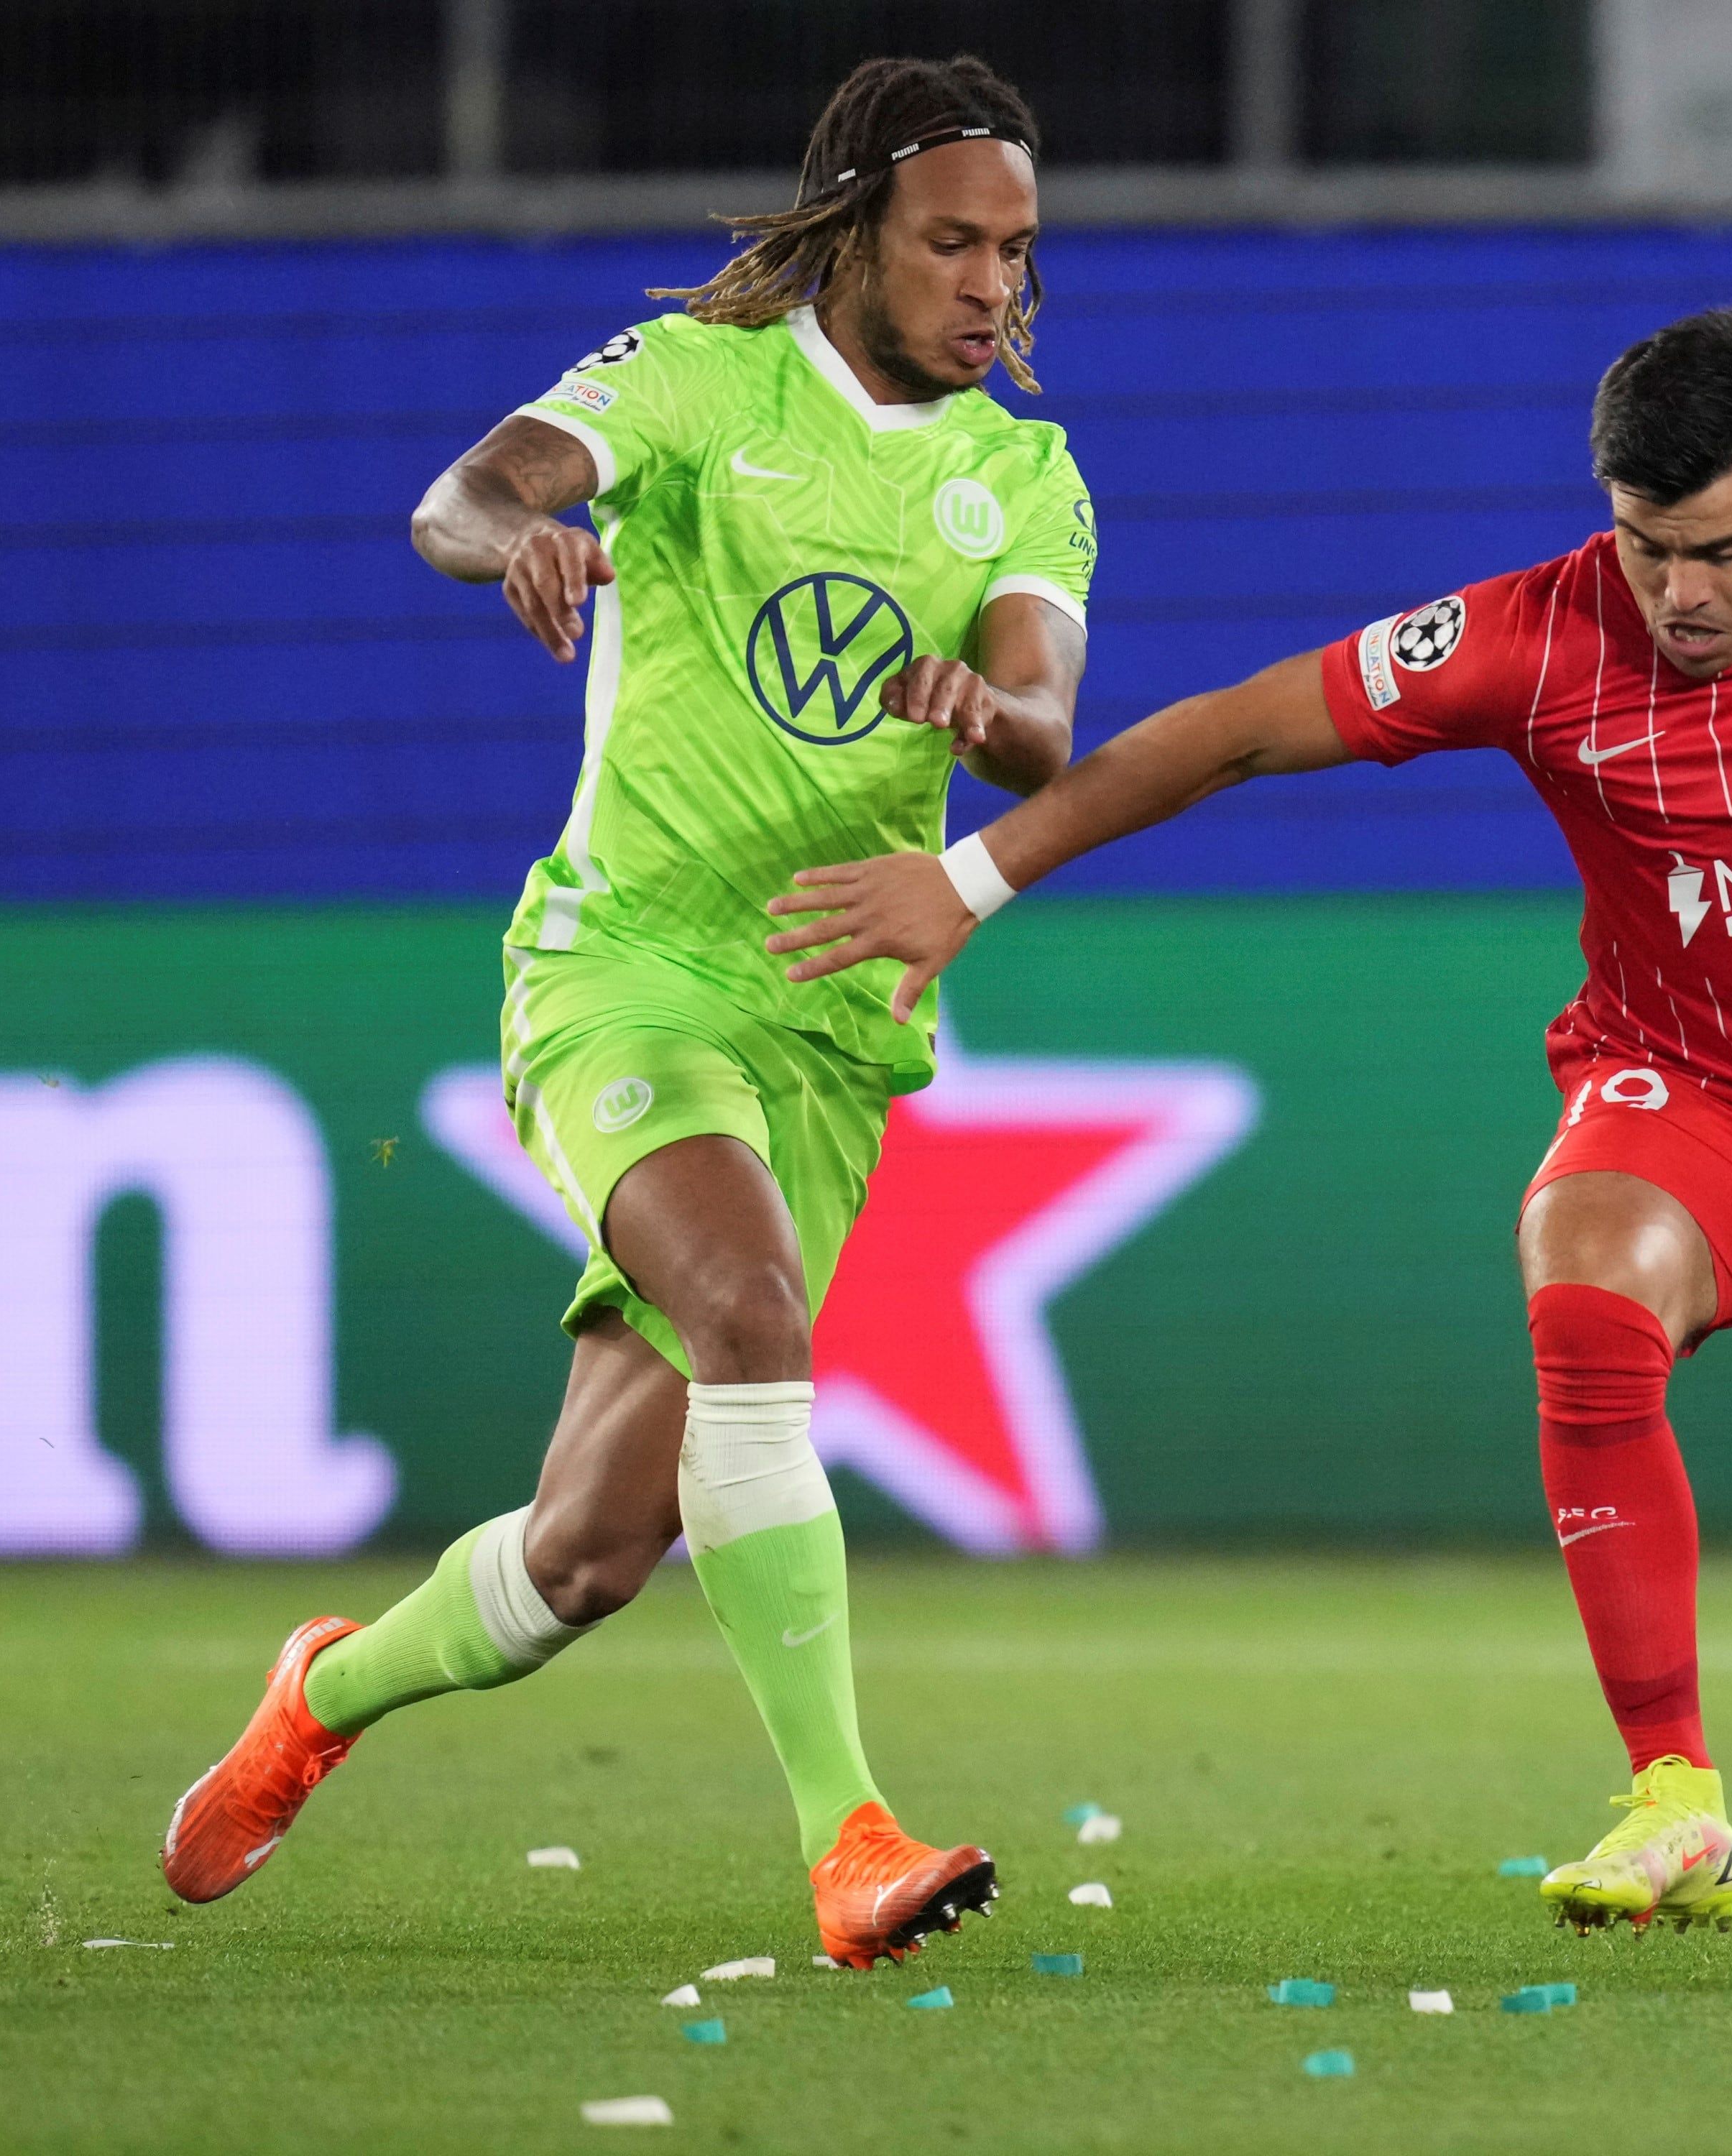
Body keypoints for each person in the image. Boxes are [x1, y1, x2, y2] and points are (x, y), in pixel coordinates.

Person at [774, 307, 1732, 1961]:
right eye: (1648, 548)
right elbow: (1232, 731)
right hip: (1688, 1088)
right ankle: (1675, 1795)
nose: (1680, 594)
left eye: (1720, 551)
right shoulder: (1536, 633)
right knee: (1584, 1280)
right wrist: (971, 877)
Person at [158, 54, 1098, 1971]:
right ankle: (848, 1839)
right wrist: (517, 535)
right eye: (952, 242)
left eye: (1014, 250)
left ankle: (319, 1698)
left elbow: (1042, 721)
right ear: (854, 231)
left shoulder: (1024, 473)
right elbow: (468, 493)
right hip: (624, 974)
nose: (990, 283)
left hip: (829, 1032)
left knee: (586, 1556)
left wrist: (985, 714)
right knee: (750, 1310)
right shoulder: (694, 382)